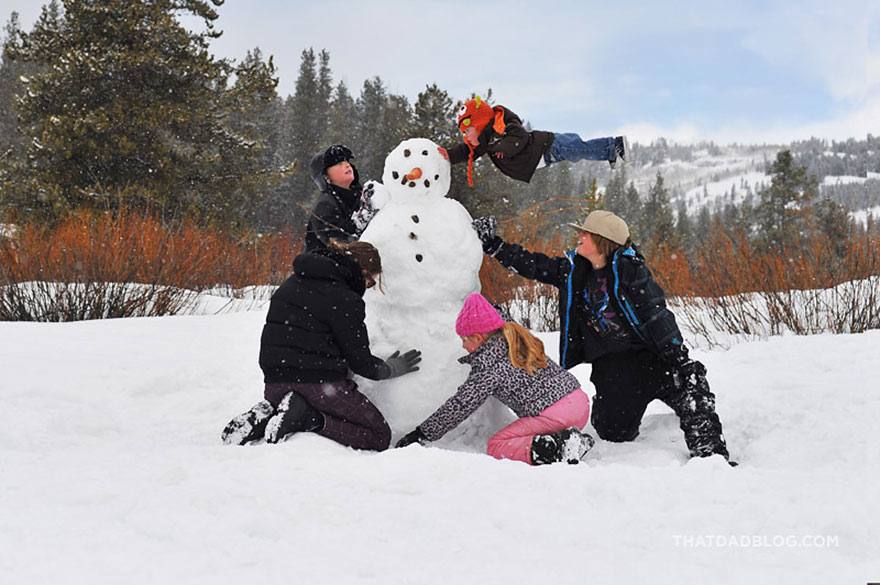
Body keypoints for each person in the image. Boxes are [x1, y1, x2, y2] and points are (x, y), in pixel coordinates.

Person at [471, 211, 733, 463]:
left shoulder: (630, 270)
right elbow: (535, 265)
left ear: (601, 241)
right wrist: (494, 245)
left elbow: (656, 313)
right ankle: (611, 410)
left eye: (585, 234)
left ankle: (710, 453)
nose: (579, 237)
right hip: (613, 369)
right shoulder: (573, 272)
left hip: (651, 358)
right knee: (613, 433)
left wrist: (679, 357)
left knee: (690, 382)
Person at [221, 239, 422, 450]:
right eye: (371, 282)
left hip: (274, 383)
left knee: (289, 400)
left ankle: (267, 414)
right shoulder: (345, 299)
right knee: (378, 436)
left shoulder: (291, 284)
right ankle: (308, 418)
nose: (368, 287)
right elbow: (360, 362)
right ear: (362, 271)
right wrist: (391, 368)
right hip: (318, 387)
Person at [396, 293, 595, 465]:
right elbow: (495, 313)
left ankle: (561, 447)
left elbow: (460, 405)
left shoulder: (488, 365)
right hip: (579, 402)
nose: (463, 345)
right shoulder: (510, 333)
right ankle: (565, 439)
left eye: (465, 339)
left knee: (497, 445)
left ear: (479, 337)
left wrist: (422, 434)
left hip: (556, 415)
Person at [443, 96, 628, 187]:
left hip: (548, 145)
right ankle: (611, 150)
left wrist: (499, 147)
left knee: (578, 148)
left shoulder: (503, 124)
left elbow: (519, 138)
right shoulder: (485, 142)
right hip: (545, 155)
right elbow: (466, 152)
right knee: (578, 151)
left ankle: (614, 146)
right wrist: (446, 156)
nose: (466, 136)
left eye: (468, 130)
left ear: (480, 123)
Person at [304, 144, 378, 252]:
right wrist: (363, 219)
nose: (347, 165)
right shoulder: (325, 206)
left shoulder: (362, 194)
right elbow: (341, 243)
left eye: (347, 161)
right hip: (332, 265)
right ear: (325, 176)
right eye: (339, 163)